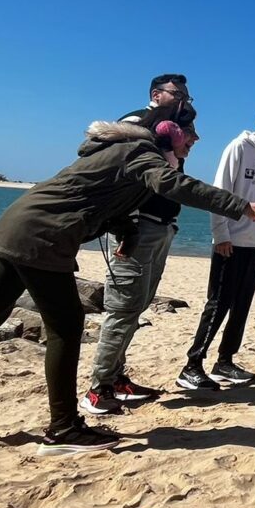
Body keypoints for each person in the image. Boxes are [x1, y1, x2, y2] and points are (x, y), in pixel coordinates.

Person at [0, 118, 255, 455]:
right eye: (187, 138)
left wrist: (127, 231)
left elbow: (98, 197)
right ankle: (63, 428)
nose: (192, 144)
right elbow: (172, 185)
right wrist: (240, 206)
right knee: (67, 327)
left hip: (21, 224)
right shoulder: (141, 152)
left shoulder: (119, 154)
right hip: (44, 236)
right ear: (167, 140)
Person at [80, 116, 197, 416]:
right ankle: (98, 390)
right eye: (189, 132)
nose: (194, 139)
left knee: (135, 308)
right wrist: (127, 231)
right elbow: (124, 188)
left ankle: (115, 379)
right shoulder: (144, 142)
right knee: (122, 311)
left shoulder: (170, 156)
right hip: (136, 235)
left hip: (159, 231)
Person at [178, 105, 255, 390]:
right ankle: (192, 365)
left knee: (242, 306)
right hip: (230, 241)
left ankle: (225, 361)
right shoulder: (239, 147)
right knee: (218, 305)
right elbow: (220, 191)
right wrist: (221, 235)